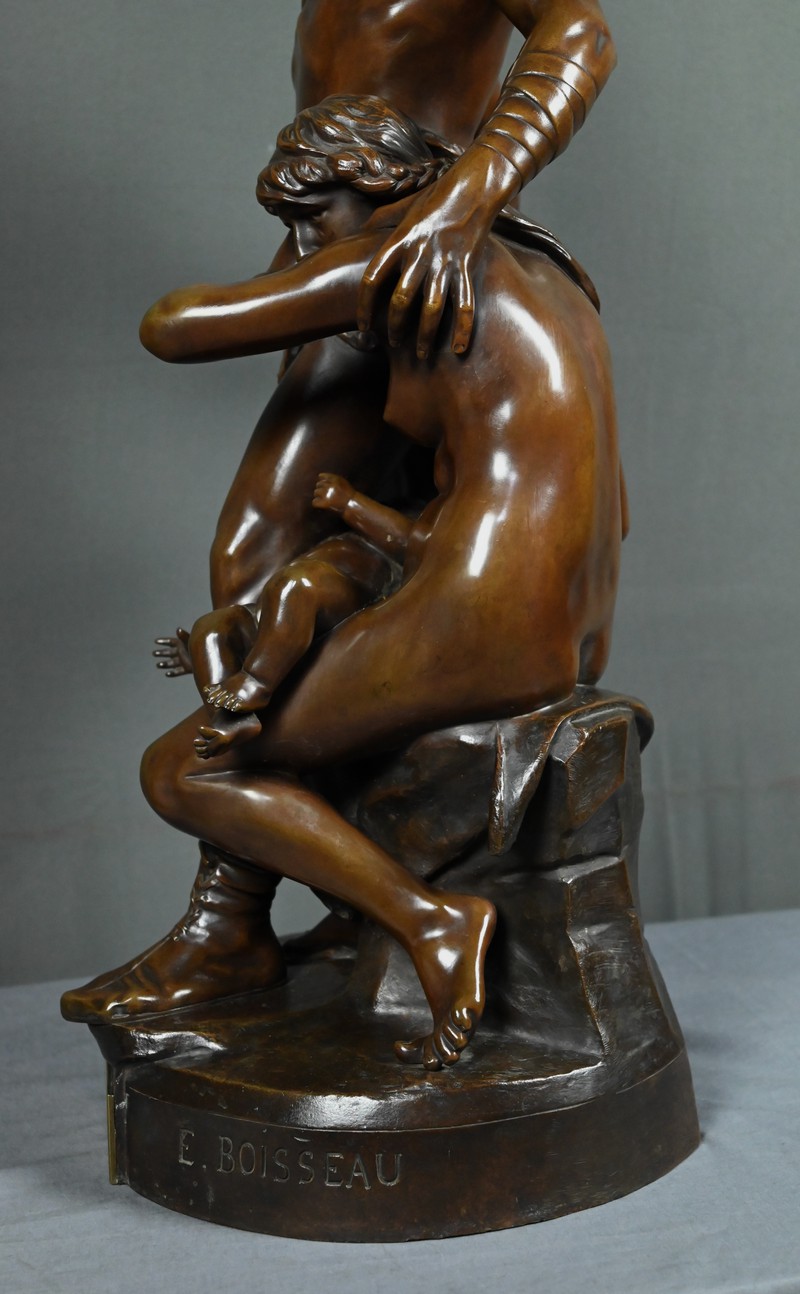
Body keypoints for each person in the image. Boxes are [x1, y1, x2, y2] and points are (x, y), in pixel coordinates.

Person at [62, 96, 624, 1070]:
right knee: (293, 640)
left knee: (187, 770)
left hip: (484, 611)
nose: (300, 244)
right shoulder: (547, 268)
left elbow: (174, 326)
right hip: (576, 618)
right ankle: (360, 916)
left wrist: (309, 278)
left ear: (379, 188)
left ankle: (431, 921)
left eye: (310, 217)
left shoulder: (406, 251)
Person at [155, 471, 415, 759]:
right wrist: (201, 654)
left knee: (296, 585)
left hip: (342, 594)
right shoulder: (339, 533)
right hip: (282, 608)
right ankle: (230, 720)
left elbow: (410, 543)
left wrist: (349, 502)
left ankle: (255, 683)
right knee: (211, 629)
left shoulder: (421, 519)